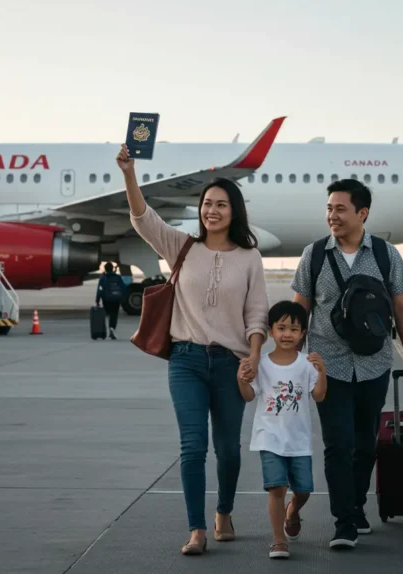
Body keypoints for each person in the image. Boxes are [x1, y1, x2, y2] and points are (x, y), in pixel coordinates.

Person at [117, 144, 269, 556]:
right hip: (185, 360)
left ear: (234, 210)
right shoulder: (182, 247)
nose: (211, 210)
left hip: (230, 364)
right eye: (206, 204)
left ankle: (224, 511)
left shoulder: (249, 257)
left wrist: (253, 356)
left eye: (220, 204)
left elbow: (257, 315)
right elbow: (142, 219)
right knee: (192, 446)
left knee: (229, 450)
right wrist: (130, 174)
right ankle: (196, 529)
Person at [291, 178, 403, 550]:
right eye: (329, 208)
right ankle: (344, 522)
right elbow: (301, 308)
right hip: (326, 366)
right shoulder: (313, 254)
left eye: (340, 209)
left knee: (365, 444)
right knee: (337, 444)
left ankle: (357, 505)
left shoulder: (385, 254)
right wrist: (290, 360)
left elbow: (401, 308)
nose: (332, 215)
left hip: (374, 363)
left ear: (362, 213)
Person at [237, 301, 327, 560]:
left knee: (304, 490)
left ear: (302, 334)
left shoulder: (306, 364)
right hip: (270, 436)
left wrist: (322, 372)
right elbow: (248, 396)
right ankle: (278, 540)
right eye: (282, 328)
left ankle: (293, 510)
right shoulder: (262, 364)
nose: (288, 334)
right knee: (276, 488)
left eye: (294, 329)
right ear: (271, 330)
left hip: (298, 439)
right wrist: (240, 379)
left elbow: (319, 396)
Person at [95, 262, 124, 340]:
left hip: (106, 299)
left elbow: (100, 290)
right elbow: (123, 287)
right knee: (114, 315)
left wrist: (97, 300)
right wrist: (122, 298)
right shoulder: (118, 277)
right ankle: (112, 328)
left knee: (107, 314)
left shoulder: (103, 278)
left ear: (105, 269)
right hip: (116, 299)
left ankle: (104, 330)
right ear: (112, 268)